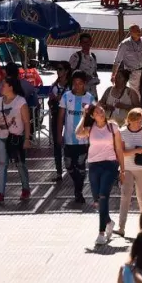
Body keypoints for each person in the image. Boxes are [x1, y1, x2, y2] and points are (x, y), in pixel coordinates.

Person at [77, 102, 124, 246]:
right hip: (94, 165)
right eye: (97, 112)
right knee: (97, 199)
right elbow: (78, 133)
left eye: (102, 111)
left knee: (104, 196)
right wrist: (84, 116)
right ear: (92, 115)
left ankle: (101, 232)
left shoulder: (113, 127)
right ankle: (109, 221)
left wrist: (123, 169)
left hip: (110, 164)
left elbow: (119, 149)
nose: (100, 113)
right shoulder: (90, 129)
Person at [0, 77, 31, 205]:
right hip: (2, 137)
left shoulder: (20, 101)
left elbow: (26, 121)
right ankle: (0, 193)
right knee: (2, 164)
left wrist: (26, 139)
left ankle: (25, 188)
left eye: (4, 85)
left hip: (16, 138)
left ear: (11, 87)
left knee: (20, 164)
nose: (1, 88)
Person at [59, 70, 94, 203]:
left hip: (83, 141)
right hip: (68, 139)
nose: (77, 86)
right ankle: (77, 184)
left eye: (80, 83)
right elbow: (61, 116)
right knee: (68, 165)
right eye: (75, 83)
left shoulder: (89, 98)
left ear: (84, 84)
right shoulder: (66, 97)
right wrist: (58, 134)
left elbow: (92, 120)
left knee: (80, 165)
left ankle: (78, 191)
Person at [116, 108, 142, 237]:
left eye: (140, 120)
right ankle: (121, 227)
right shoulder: (122, 132)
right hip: (127, 167)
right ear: (129, 120)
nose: (139, 123)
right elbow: (121, 152)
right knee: (125, 195)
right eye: (136, 121)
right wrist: (136, 151)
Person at [114, 25, 142, 92]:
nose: (139, 32)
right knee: (135, 93)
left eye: (139, 30)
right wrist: (114, 75)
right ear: (131, 32)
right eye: (137, 30)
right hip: (133, 73)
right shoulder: (125, 44)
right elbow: (117, 61)